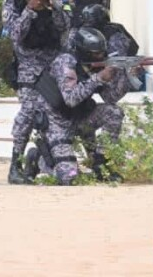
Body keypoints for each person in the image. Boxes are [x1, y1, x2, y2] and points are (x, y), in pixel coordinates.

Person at [35, 28, 133, 185]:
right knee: (69, 177)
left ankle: (101, 164)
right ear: (83, 51)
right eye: (96, 54)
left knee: (114, 112)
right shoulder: (65, 62)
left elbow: (111, 97)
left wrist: (127, 76)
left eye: (102, 52)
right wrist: (98, 78)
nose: (100, 56)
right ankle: (38, 158)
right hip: (58, 124)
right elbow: (70, 99)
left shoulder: (93, 64)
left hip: (80, 118)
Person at [1, 0, 68, 185]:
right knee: (28, 115)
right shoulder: (12, 4)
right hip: (29, 69)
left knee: (56, 115)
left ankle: (39, 160)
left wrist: (55, 6)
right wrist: (30, 10)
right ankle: (15, 166)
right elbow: (15, 35)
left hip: (54, 65)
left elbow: (64, 26)